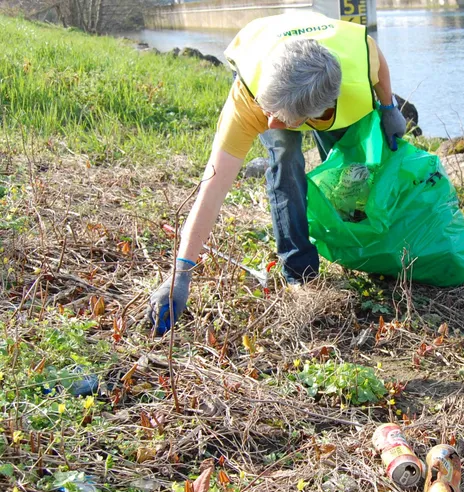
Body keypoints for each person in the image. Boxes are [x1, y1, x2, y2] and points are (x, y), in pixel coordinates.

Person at [147, 11, 407, 335]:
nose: (270, 123)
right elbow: (212, 189)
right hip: (273, 57)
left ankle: (351, 241)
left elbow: (375, 56)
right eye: (270, 112)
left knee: (352, 165)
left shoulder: (356, 69)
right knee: (284, 156)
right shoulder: (251, 99)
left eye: (281, 116)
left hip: (328, 72)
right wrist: (181, 271)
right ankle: (301, 272)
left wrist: (387, 107)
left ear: (315, 114)